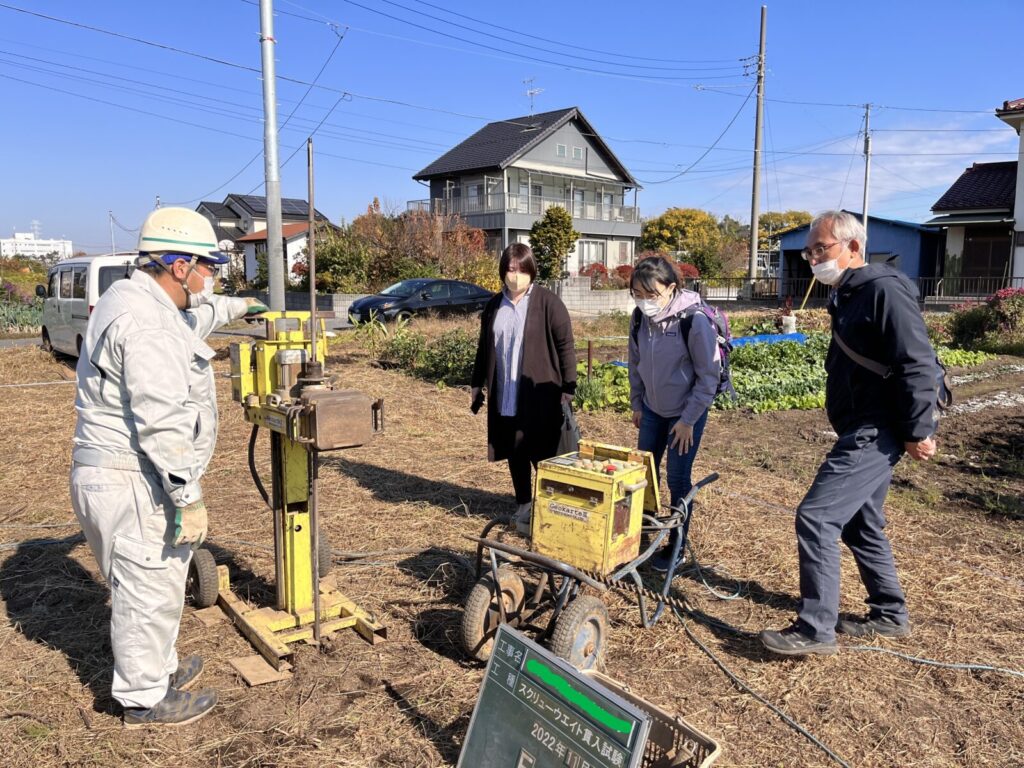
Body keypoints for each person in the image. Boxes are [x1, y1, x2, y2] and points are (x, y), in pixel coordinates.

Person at [70, 207, 267, 726]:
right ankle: (143, 698)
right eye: (209, 267)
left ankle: (161, 668)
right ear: (180, 267)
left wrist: (237, 306)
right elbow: (160, 420)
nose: (213, 278)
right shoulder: (146, 324)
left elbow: (192, 317)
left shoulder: (137, 299)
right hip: (131, 476)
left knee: (155, 582)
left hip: (120, 474)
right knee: (147, 586)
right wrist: (188, 496)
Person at [760, 210, 937, 657]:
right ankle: (890, 614)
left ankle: (816, 627)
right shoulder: (845, 293)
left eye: (822, 248)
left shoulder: (883, 290)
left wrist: (919, 429)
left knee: (817, 517)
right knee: (861, 523)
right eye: (810, 250)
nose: (813, 257)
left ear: (853, 246)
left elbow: (916, 361)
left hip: (876, 429)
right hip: (859, 424)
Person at [471, 243, 576, 535]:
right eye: (509, 268)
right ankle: (524, 504)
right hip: (505, 391)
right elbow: (483, 349)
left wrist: (569, 385)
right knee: (514, 449)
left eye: (520, 269)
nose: (514, 275)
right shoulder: (494, 305)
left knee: (542, 451)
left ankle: (549, 507)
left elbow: (566, 345)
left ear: (531, 270)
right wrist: (476, 383)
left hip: (540, 392)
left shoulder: (547, 302)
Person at [627, 256, 721, 573]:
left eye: (650, 294)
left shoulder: (692, 321)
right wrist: (637, 403)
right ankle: (646, 532)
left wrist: (688, 420)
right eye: (637, 294)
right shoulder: (639, 319)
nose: (643, 301)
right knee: (644, 474)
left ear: (670, 288)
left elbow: (709, 377)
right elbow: (635, 364)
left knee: (677, 479)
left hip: (684, 415)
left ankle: (676, 546)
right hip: (653, 410)